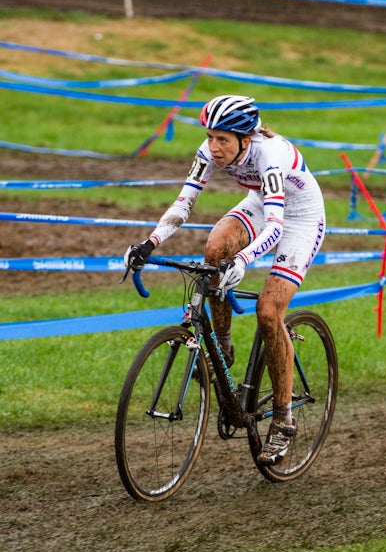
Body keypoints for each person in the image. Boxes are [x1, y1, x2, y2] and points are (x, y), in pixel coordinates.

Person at [124, 94, 326, 465]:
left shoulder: (270, 155)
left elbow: (277, 224)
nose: (213, 148)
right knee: (214, 249)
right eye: (210, 137)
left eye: (223, 140)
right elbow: (184, 204)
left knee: (268, 313)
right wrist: (149, 243)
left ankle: (283, 418)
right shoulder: (209, 150)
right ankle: (223, 347)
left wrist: (246, 259)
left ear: (245, 140)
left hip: (299, 218)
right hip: (259, 204)